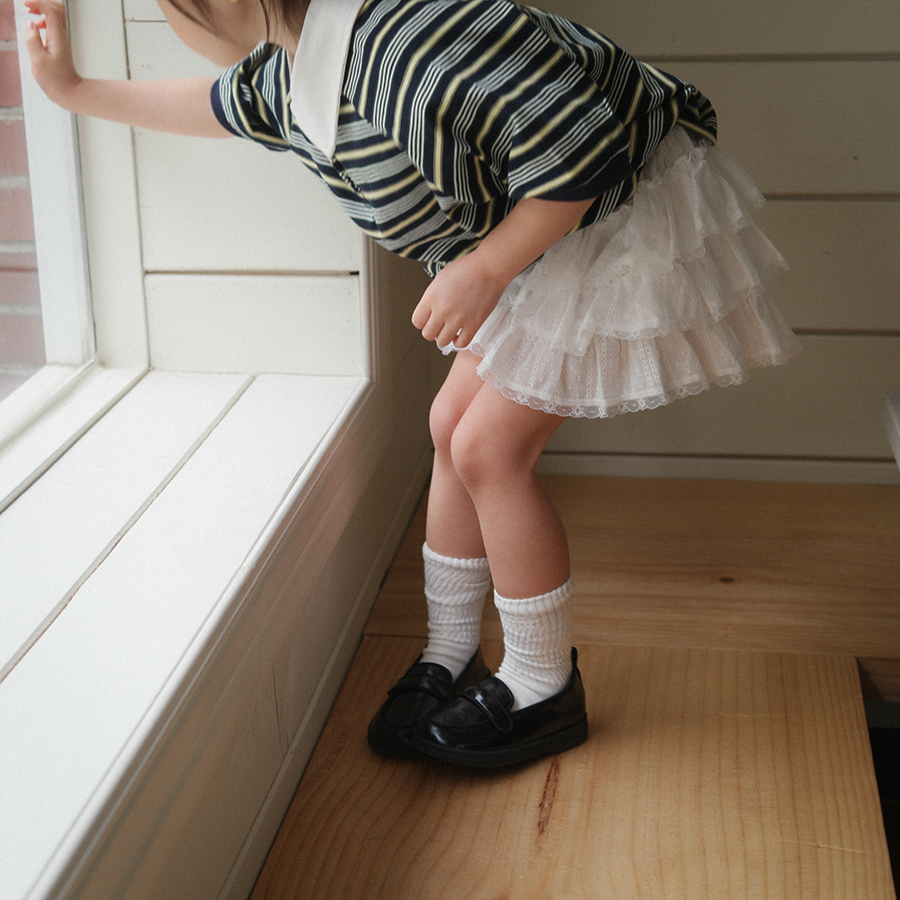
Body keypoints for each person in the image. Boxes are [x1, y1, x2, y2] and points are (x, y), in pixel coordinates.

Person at [24, 0, 799, 768]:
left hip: (610, 216)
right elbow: (213, 106)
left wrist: (486, 268)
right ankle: (450, 650)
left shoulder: (412, 42)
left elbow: (584, 151)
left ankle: (544, 682)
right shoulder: (297, 70)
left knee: (489, 448)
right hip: (536, 234)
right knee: (450, 427)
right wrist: (71, 89)